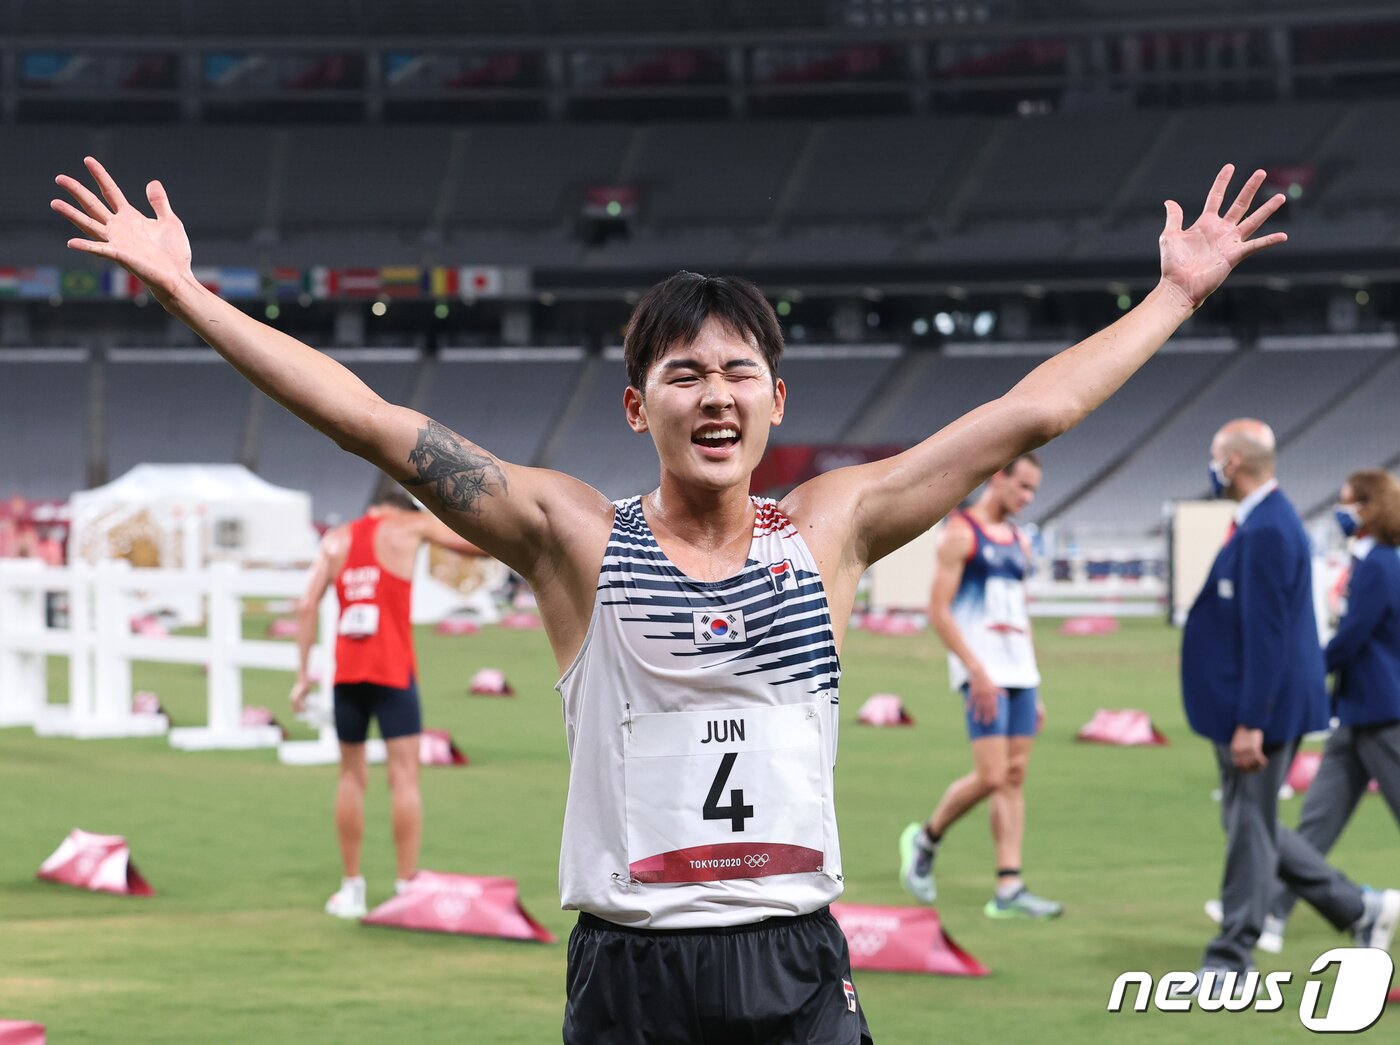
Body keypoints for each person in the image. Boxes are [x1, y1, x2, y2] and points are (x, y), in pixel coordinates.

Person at [54, 155, 1287, 1044]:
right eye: (682, 371)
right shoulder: (572, 539)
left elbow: (1031, 412)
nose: (715, 392)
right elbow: (372, 424)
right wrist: (190, 294)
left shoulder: (832, 527)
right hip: (630, 975)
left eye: (738, 371)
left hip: (796, 960)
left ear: (774, 403)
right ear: (637, 406)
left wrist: (1176, 295)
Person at [1181, 422, 1399, 988]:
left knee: (1250, 824)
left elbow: (1267, 633)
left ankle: (1233, 952)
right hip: (1272, 704)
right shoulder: (1264, 522)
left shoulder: (1269, 529)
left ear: (1232, 463)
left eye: (1213, 457)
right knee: (1251, 820)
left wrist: (1251, 719)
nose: (1210, 468)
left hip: (1267, 710)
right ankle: (1357, 909)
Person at [290, 490, 482, 918]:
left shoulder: (336, 539)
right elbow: (478, 542)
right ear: (401, 507)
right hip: (393, 671)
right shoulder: (410, 526)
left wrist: (303, 676)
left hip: (347, 675)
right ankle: (405, 885)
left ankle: (352, 887)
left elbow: (305, 606)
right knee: (404, 777)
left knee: (351, 777)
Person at [1233, 469, 1400, 952]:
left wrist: (1309, 671)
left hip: (1385, 715)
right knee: (1316, 822)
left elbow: (1352, 639)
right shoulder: (1370, 561)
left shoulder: (1381, 565)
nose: (1341, 509)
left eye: (1348, 501)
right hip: (1357, 712)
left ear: (1369, 508)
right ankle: (1273, 912)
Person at [898, 453, 1062, 919]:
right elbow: (939, 610)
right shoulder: (962, 533)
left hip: (1021, 675)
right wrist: (976, 670)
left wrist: (1037, 683)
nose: (1027, 498)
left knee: (1013, 778)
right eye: (1022, 486)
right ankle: (925, 840)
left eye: (1033, 490)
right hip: (983, 675)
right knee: (991, 775)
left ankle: (1009, 887)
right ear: (998, 476)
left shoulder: (1018, 542)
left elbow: (1019, 616)